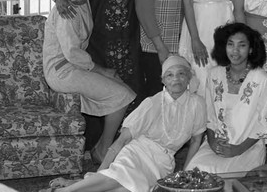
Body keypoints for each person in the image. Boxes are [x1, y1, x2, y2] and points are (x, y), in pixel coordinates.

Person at [42, 55, 206, 192]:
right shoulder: (152, 103)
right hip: (137, 152)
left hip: (162, 164)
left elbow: (196, 140)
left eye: (181, 74)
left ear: (189, 77)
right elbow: (121, 141)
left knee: (124, 189)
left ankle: (80, 184)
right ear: (163, 80)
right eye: (170, 75)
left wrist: (186, 174)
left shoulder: (197, 104)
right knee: (123, 176)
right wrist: (102, 171)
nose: (176, 79)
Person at [51, 0, 143, 150]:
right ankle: (101, 148)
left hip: (126, 39)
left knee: (129, 90)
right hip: (94, 46)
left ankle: (120, 147)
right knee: (114, 94)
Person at [43, 0, 136, 164]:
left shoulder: (82, 0)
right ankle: (102, 149)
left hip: (75, 66)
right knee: (122, 95)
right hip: (62, 70)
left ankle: (105, 147)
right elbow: (72, 54)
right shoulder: (66, 10)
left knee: (123, 87)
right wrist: (102, 70)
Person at [185, 23, 267, 174]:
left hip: (248, 146)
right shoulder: (214, 74)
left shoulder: (262, 79)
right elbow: (210, 115)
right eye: (230, 44)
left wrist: (238, 149)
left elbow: (262, 123)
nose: (235, 50)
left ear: (251, 49)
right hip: (216, 143)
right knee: (194, 172)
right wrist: (212, 142)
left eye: (242, 45)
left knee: (229, 179)